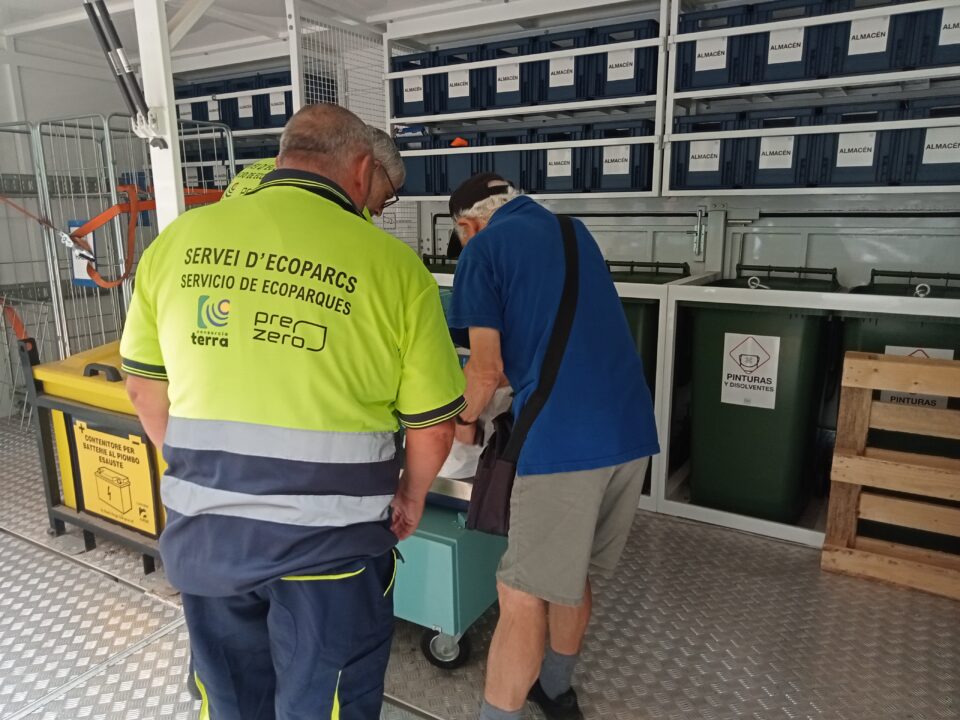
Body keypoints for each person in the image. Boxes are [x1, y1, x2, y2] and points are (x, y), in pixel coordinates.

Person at [120, 103, 465, 720]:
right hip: (330, 552)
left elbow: (144, 390)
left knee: (230, 698)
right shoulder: (394, 267)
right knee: (324, 703)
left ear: (283, 156)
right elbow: (433, 426)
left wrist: (208, 478)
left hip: (210, 540)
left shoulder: (176, 243)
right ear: (362, 170)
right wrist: (411, 497)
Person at [446, 174, 660, 720]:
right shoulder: (573, 231)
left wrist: (457, 425)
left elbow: (485, 371)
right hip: (630, 428)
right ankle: (556, 689)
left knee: (521, 596)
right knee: (569, 574)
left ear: (468, 226)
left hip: (565, 439)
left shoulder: (482, 250)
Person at [222, 125, 404, 218]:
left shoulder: (258, 168)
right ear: (369, 168)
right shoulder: (340, 206)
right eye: (386, 196)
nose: (379, 211)